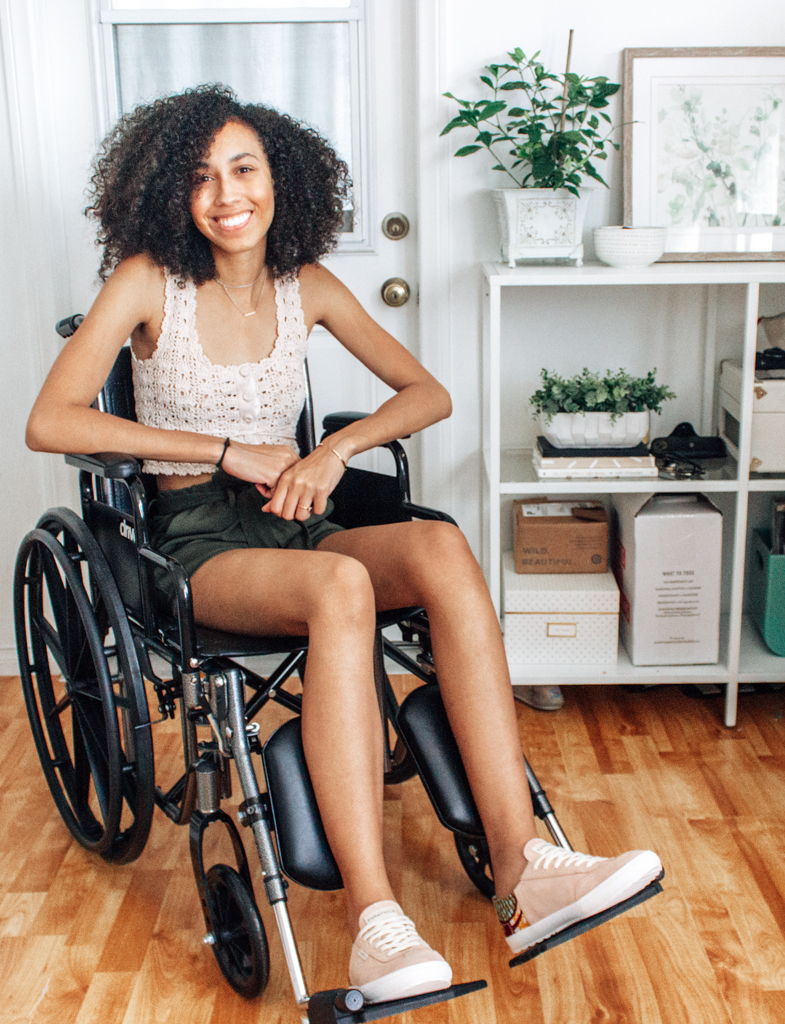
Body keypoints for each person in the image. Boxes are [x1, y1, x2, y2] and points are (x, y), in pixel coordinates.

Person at [26, 85, 662, 1005]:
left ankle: (528, 865)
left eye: (244, 168)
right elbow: (52, 421)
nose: (225, 193)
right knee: (338, 591)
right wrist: (221, 450)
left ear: (280, 178)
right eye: (201, 177)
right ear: (171, 193)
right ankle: (375, 919)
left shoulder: (308, 285)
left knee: (438, 551)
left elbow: (426, 394)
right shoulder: (142, 282)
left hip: (294, 512)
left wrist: (334, 450)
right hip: (195, 534)